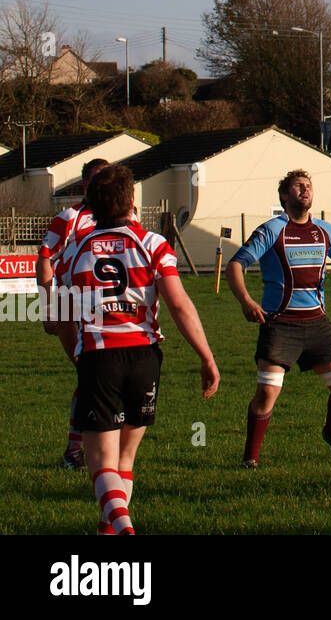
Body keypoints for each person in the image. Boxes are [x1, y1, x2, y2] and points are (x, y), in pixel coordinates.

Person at [54, 164, 218, 534]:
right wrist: (206, 355)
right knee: (124, 461)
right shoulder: (152, 244)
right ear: (131, 202)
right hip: (145, 356)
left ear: (91, 206)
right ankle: (108, 530)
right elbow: (178, 305)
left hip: (100, 356)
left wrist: (77, 358)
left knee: (101, 466)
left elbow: (62, 318)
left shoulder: (74, 251)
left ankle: (125, 527)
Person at [224, 170, 331, 469]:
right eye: (299, 186)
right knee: (267, 392)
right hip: (280, 325)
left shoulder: (324, 230)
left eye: (309, 185)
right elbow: (235, 265)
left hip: (318, 325)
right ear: (284, 196)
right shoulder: (271, 230)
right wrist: (246, 301)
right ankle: (250, 458)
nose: (306, 189)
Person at [37, 157, 110, 470]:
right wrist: (47, 305)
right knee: (90, 373)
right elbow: (44, 260)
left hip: (108, 309)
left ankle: (85, 447)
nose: (102, 185)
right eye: (96, 179)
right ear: (85, 185)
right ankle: (77, 450)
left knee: (102, 377)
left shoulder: (122, 217)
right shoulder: (69, 217)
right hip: (71, 305)